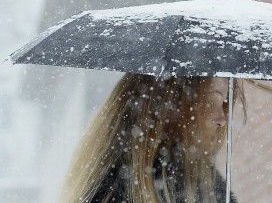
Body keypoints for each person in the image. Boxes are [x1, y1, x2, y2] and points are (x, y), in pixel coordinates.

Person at [58, 73, 247, 203]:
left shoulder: (206, 186)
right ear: (172, 106)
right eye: (209, 102)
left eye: (223, 104)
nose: (222, 119)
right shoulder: (115, 189)